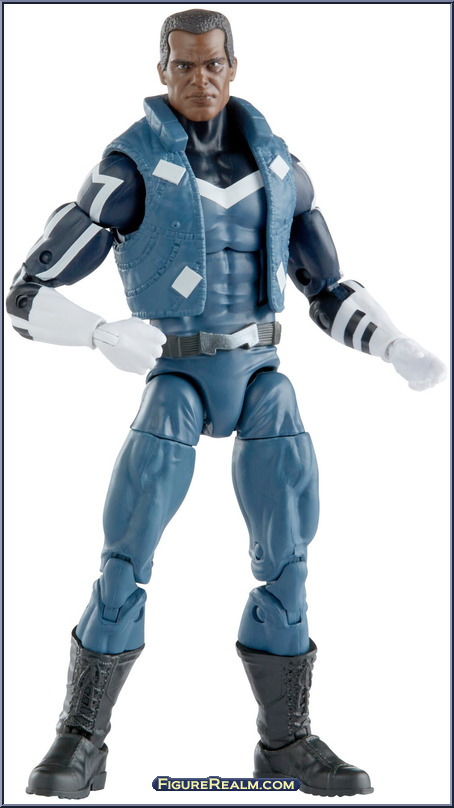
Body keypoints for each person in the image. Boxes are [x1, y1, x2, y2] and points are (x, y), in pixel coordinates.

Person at [6, 8, 446, 801]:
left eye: (213, 64)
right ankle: (81, 738)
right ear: (162, 71)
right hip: (175, 377)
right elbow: (24, 293)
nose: (200, 79)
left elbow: (326, 285)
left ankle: (286, 741)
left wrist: (393, 344)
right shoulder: (130, 170)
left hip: (262, 376)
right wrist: (99, 332)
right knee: (126, 557)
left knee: (289, 557)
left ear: (233, 67)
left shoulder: (281, 169)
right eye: (184, 65)